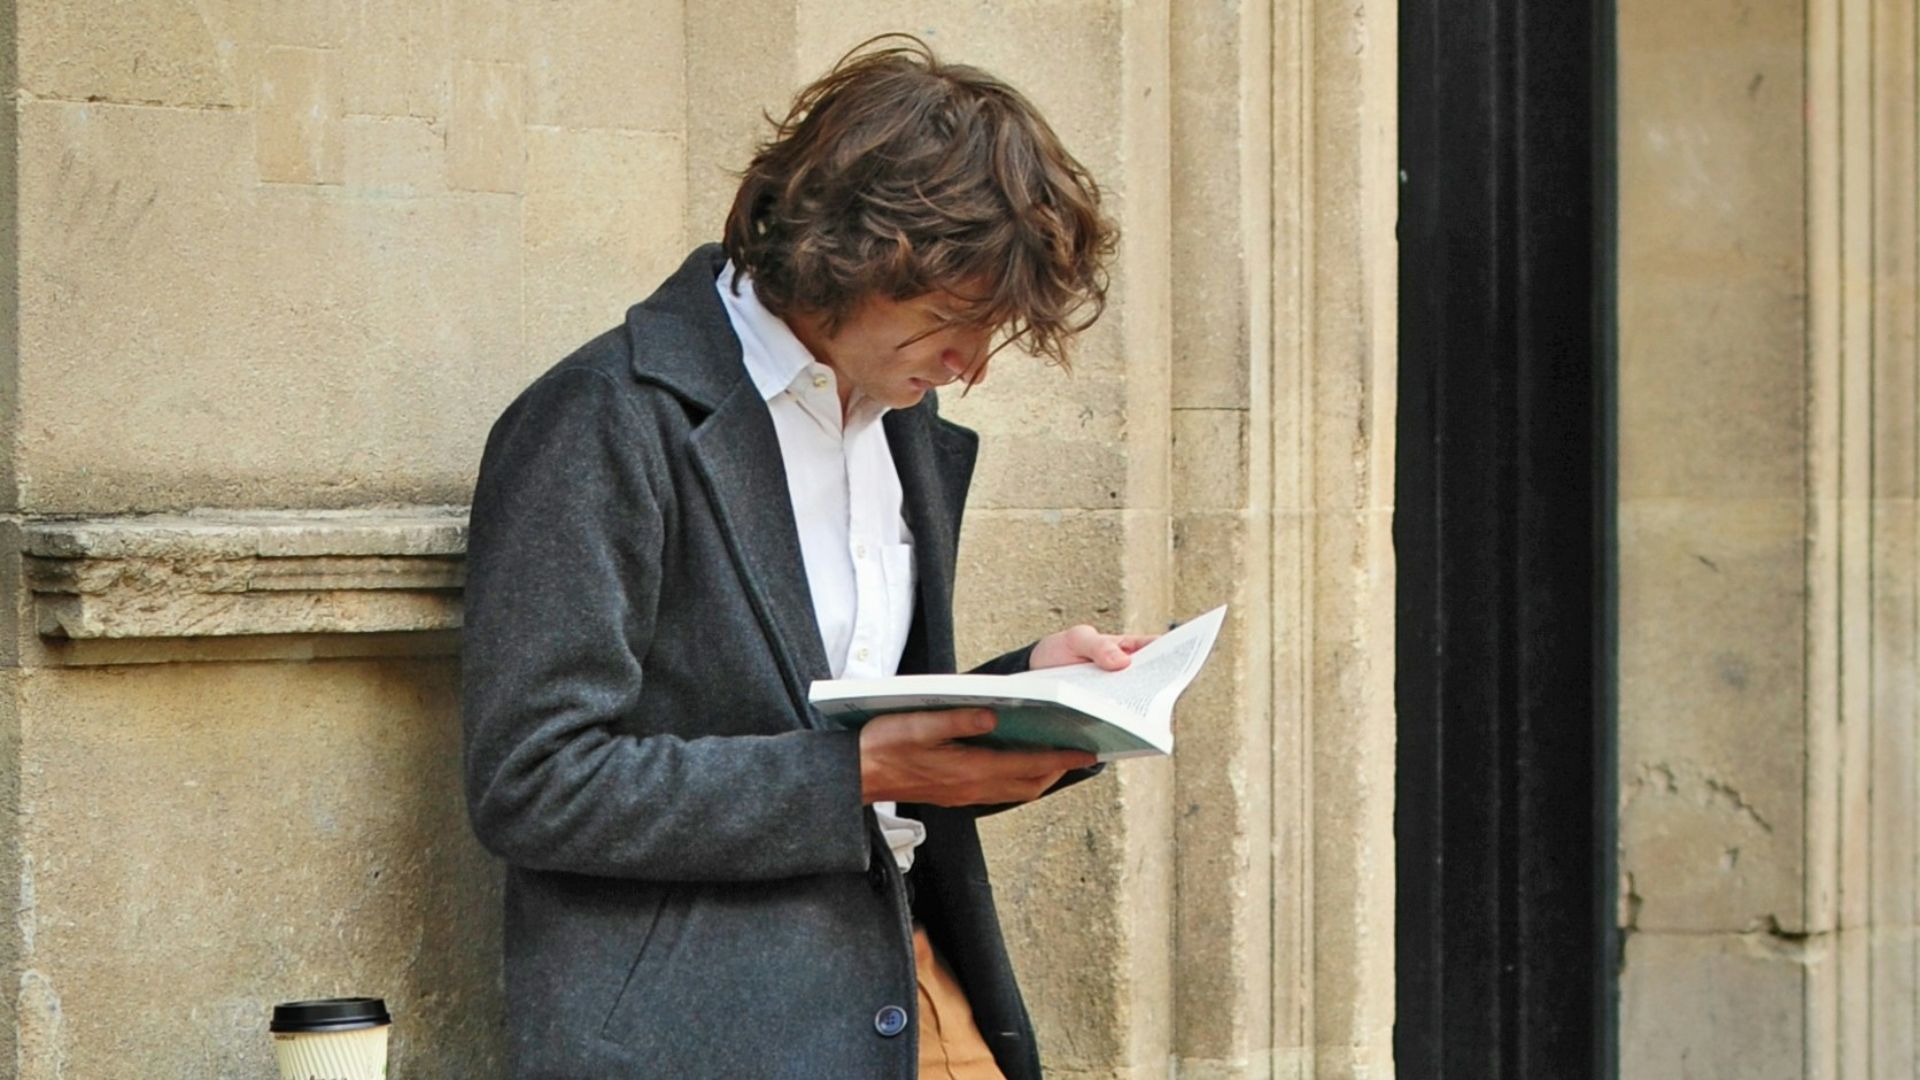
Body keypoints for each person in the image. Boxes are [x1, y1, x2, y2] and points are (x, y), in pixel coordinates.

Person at [461, 35, 1138, 1079]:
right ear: (851, 256)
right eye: (952, 321)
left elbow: (846, 715)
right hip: (697, 1037)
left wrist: (1020, 697)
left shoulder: (904, 425)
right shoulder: (605, 420)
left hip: (912, 994)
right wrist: (853, 776)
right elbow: (535, 782)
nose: (971, 365)